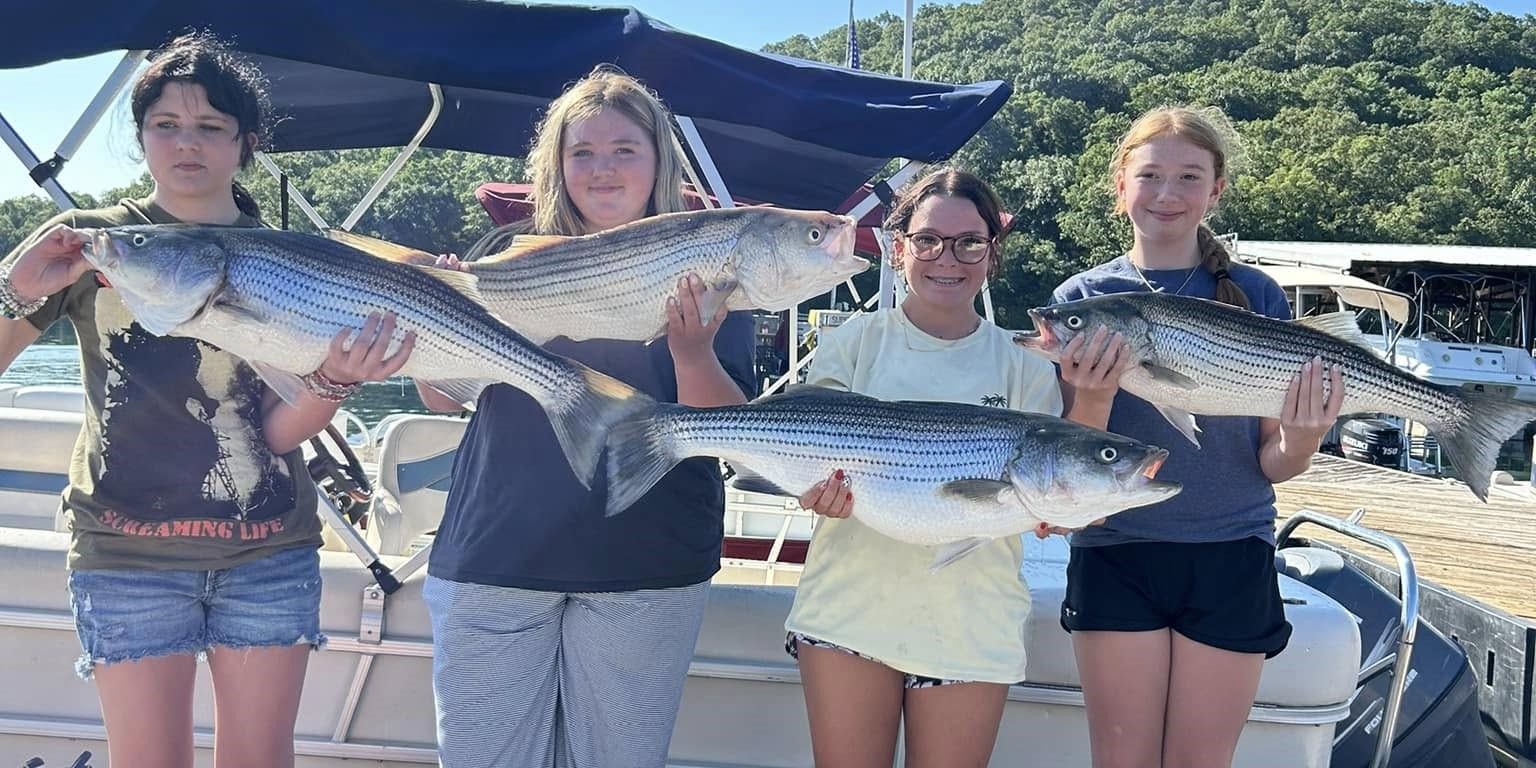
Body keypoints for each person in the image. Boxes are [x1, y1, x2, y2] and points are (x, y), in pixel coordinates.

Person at [0, 32, 411, 768]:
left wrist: (334, 382)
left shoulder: (288, 264)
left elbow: (278, 435)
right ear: (140, 136)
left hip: (266, 555)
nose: (186, 144)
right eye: (166, 125)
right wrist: (14, 292)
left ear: (245, 142)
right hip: (123, 553)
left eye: (210, 127)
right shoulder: (92, 244)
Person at [419, 66, 757, 768]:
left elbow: (732, 433)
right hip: (495, 552)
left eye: (624, 150)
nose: (603, 170)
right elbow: (443, 397)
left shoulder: (720, 264)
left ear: (658, 158)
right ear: (556, 164)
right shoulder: (504, 258)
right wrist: (434, 324)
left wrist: (691, 350)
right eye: (583, 153)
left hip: (648, 559)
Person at [786, 167, 1125, 768]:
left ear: (993, 252)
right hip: (847, 612)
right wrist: (813, 491)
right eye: (927, 240)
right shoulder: (854, 343)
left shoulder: (1024, 367)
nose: (948, 257)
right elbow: (801, 448)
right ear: (899, 248)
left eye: (970, 241)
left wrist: (1062, 504)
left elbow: (1063, 489)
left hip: (973, 621)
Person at [1049, 105, 1344, 768]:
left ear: (1217, 189)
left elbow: (1273, 461)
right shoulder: (1084, 296)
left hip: (1232, 550)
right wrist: (1095, 392)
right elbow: (1069, 468)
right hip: (1115, 548)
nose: (1167, 194)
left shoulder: (1256, 293)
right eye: (1151, 175)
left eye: (1188, 177)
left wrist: (1305, 437)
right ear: (1119, 184)